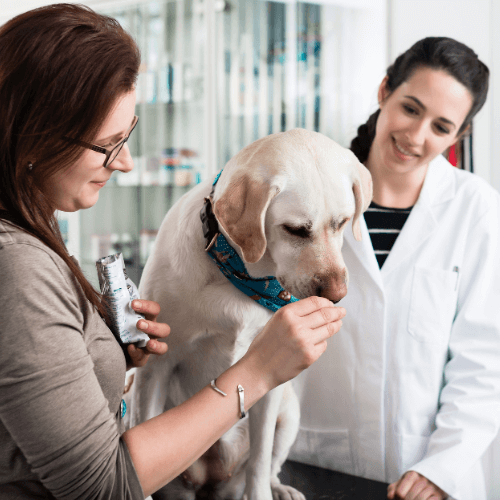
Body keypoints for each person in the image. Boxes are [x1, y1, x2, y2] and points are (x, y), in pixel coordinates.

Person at [0, 4, 346, 499]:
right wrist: (259, 370)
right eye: (107, 144)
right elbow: (105, 487)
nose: (125, 162)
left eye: (129, 134)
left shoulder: (33, 231)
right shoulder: (17, 267)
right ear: (33, 135)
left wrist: (103, 351)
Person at [289, 37, 500, 500]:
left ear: (457, 137)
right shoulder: (315, 197)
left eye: (441, 126)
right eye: (410, 108)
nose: (416, 136)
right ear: (384, 90)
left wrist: (442, 467)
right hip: (316, 465)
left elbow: (484, 361)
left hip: (429, 473)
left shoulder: (476, 210)